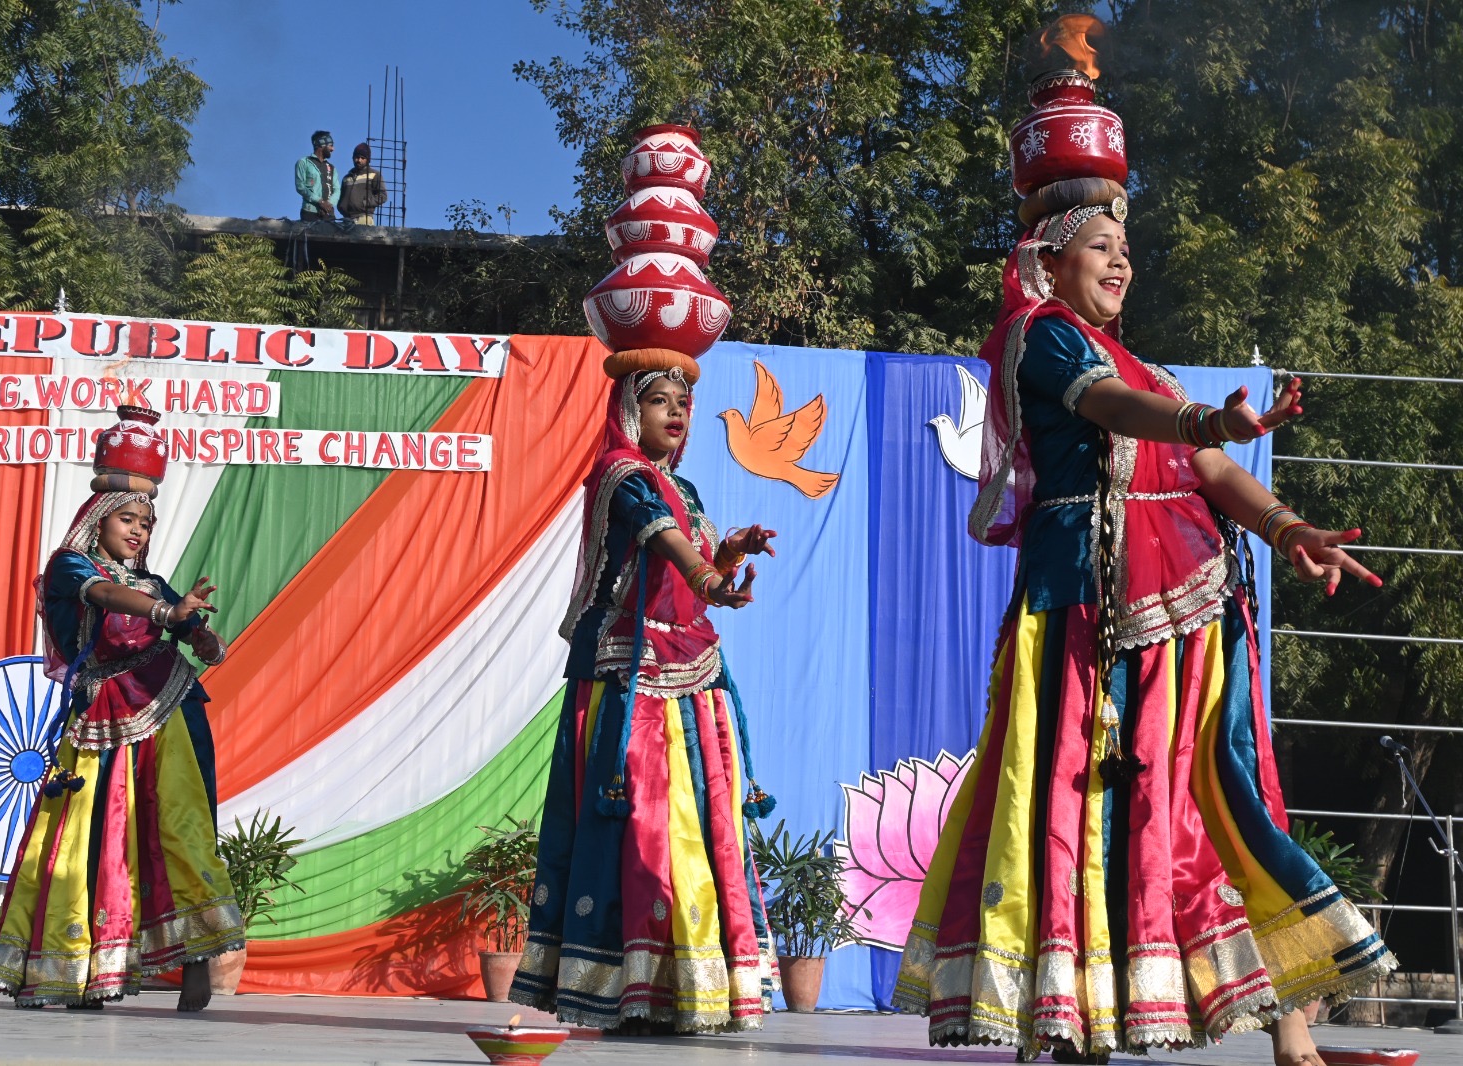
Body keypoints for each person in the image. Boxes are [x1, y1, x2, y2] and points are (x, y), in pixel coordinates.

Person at [890, 176, 1397, 1066]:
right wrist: (1203, 417)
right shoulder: (1040, 334)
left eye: (1127, 250)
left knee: (1216, 800)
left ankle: (1290, 1031)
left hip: (1193, 613)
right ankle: (1072, 1013)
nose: (1121, 261)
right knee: (1081, 800)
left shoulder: (1146, 370)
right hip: (1092, 610)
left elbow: (1208, 467)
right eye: (1101, 246)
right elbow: (1110, 409)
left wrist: (1288, 530)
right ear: (1047, 261)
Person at [509, 358, 780, 1034]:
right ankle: (630, 987)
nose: (676, 411)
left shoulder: (682, 486)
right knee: (642, 826)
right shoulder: (622, 474)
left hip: (691, 672)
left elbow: (695, 557)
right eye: (659, 400)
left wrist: (729, 555)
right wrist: (709, 578)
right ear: (631, 412)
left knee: (702, 824)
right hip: (629, 676)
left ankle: (692, 986)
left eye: (683, 401)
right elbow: (663, 540)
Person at [0, 408, 244, 1010]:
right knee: (90, 839)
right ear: (99, 519)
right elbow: (105, 595)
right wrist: (167, 613)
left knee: (180, 829)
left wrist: (203, 639)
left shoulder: (154, 583)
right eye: (127, 519)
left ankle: (195, 960)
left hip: (169, 712)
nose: (138, 532)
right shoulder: (71, 566)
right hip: (101, 720)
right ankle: (82, 968)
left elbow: (196, 633)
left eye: (146, 524)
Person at [338, 142, 387, 225]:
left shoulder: (374, 175)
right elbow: (341, 198)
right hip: (347, 220)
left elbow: (383, 196)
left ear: (368, 160)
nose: (359, 160)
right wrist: (341, 206)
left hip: (364, 218)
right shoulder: (346, 178)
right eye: (357, 157)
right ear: (353, 158)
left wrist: (365, 203)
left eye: (362, 158)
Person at [295, 130, 337, 221]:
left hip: (328, 214)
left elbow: (337, 189)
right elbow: (300, 187)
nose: (333, 149)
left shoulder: (331, 168)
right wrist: (320, 202)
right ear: (322, 145)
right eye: (331, 145)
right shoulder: (303, 163)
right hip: (309, 213)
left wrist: (328, 204)